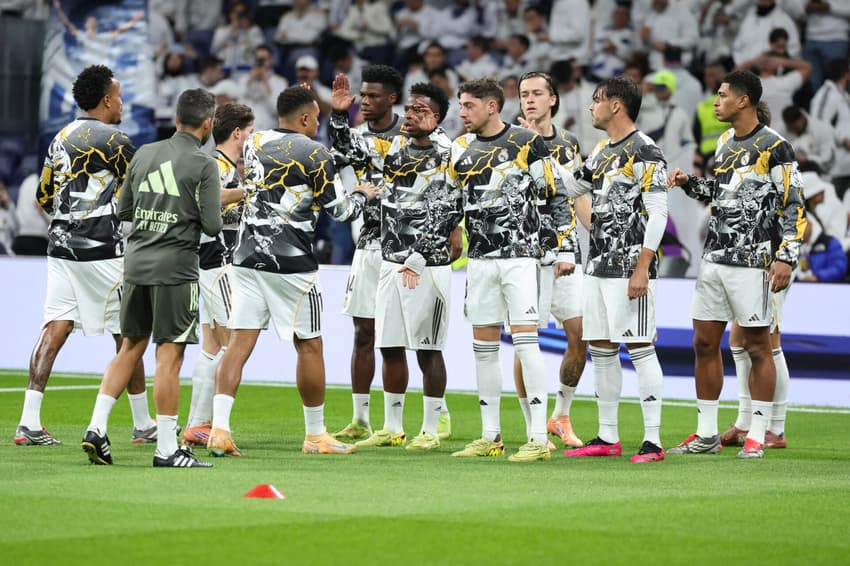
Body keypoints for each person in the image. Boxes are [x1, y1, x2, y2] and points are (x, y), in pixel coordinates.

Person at [208, 86, 379, 457]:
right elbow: (341, 211)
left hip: (247, 257)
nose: (317, 123)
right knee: (310, 344)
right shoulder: (315, 153)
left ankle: (219, 429)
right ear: (304, 119)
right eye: (315, 116)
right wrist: (364, 193)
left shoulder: (255, 142)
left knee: (238, 344)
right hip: (292, 265)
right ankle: (316, 435)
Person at [667, 70, 806, 459]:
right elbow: (720, 191)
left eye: (723, 94)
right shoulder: (726, 141)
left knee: (759, 347)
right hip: (715, 257)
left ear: (743, 101)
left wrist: (786, 257)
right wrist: (689, 183)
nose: (716, 101)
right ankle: (706, 432)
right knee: (704, 342)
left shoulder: (776, 147)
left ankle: (758, 434)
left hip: (754, 261)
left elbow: (794, 203)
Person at [82, 88, 222, 468]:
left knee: (130, 347)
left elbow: (124, 210)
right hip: (175, 268)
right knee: (169, 355)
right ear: (208, 123)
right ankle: (165, 448)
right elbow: (211, 224)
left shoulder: (143, 153)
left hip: (136, 263)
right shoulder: (204, 163)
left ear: (176, 118)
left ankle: (96, 427)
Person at [17, 65, 154, 446]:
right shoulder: (116, 139)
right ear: (107, 99)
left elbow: (43, 196)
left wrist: (69, 222)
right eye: (121, 96)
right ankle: (142, 423)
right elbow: (136, 196)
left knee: (55, 326)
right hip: (101, 249)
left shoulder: (60, 137)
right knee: (129, 334)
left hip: (60, 245)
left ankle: (28, 421)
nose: (123, 102)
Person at [330, 75, 462, 451]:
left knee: (427, 345)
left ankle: (433, 427)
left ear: (436, 117)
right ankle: (390, 426)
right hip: (387, 255)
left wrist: (418, 257)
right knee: (387, 343)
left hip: (427, 263)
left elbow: (445, 207)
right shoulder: (395, 148)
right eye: (411, 107)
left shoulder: (446, 153)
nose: (411, 114)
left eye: (421, 110)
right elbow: (350, 155)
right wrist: (339, 119)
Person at [447, 78, 573, 462]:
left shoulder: (526, 143)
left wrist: (555, 248)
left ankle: (537, 437)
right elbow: (451, 204)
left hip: (521, 259)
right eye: (461, 105)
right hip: (480, 261)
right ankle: (491, 436)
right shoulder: (459, 148)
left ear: (491, 107)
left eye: (469, 105)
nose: (462, 112)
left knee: (525, 343)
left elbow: (555, 197)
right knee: (483, 349)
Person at [558, 75, 669, 464]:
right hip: (598, 266)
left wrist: (643, 267)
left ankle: (653, 441)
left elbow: (658, 214)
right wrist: (539, 154)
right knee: (603, 350)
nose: (591, 107)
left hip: (629, 269)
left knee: (639, 347)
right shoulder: (602, 150)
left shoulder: (646, 151)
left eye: (596, 100)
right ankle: (607, 436)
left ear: (616, 105)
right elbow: (572, 189)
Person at [514, 71, 589, 449]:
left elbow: (577, 195)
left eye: (537, 93)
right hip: (526, 253)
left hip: (567, 252)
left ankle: (559, 415)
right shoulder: (510, 141)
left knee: (581, 336)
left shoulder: (569, 144)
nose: (529, 100)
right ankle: (532, 429)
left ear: (553, 100)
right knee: (527, 340)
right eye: (524, 94)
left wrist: (598, 231)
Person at [181, 103, 255, 449]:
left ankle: (197, 424)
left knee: (212, 346)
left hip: (209, 264)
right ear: (238, 133)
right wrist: (248, 193)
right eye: (250, 131)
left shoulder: (223, 165)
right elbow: (205, 199)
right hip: (217, 263)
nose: (252, 138)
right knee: (230, 345)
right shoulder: (216, 165)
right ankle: (207, 424)